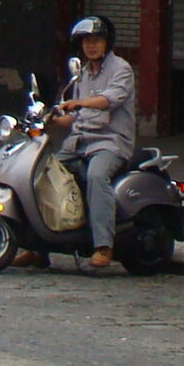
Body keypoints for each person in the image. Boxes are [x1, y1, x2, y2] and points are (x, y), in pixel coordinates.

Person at [46, 15, 137, 268]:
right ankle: (38, 247)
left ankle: (104, 245)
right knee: (42, 172)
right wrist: (53, 118)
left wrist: (80, 103)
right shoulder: (83, 74)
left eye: (96, 40)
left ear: (107, 42)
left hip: (110, 142)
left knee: (97, 177)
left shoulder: (121, 69)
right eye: (86, 41)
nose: (91, 46)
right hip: (79, 142)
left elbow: (110, 100)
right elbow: (76, 116)